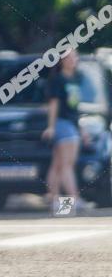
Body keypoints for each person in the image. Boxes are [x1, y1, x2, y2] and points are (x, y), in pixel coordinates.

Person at [42, 51, 85, 214]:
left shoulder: (75, 78)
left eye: (75, 56)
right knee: (67, 164)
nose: (73, 59)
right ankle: (73, 199)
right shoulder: (58, 80)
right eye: (69, 57)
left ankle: (55, 200)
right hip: (62, 123)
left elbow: (75, 107)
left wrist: (81, 128)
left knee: (58, 164)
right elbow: (54, 104)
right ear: (62, 61)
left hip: (71, 123)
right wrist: (51, 126)